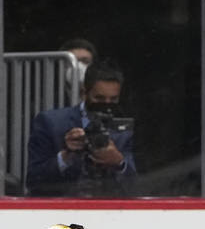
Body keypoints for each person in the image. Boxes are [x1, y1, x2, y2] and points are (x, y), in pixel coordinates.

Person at [25, 62, 137, 197]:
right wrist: (66, 156)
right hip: (61, 210)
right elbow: (32, 181)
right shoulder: (51, 122)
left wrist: (119, 162)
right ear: (84, 92)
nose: (106, 105)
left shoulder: (123, 129)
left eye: (113, 99)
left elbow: (134, 187)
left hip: (107, 210)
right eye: (99, 98)